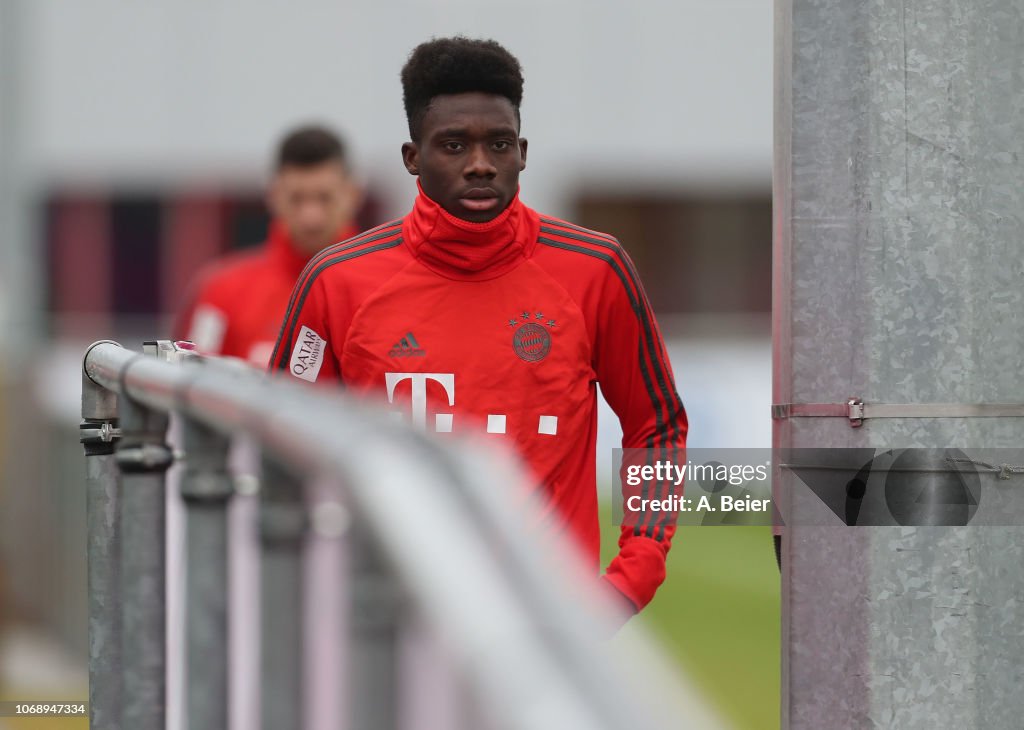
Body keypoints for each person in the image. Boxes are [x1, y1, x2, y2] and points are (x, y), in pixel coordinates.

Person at [268, 37, 687, 617]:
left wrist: (631, 577)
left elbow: (656, 427)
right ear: (412, 157)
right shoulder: (337, 283)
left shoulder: (595, 270)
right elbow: (280, 448)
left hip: (546, 625)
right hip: (388, 623)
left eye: (498, 144)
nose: (480, 164)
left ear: (522, 151)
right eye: (453, 145)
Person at [175, 125, 364, 366]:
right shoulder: (221, 292)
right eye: (297, 198)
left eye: (324, 198)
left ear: (353, 194)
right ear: (274, 195)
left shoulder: (384, 287)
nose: (311, 217)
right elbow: (192, 385)